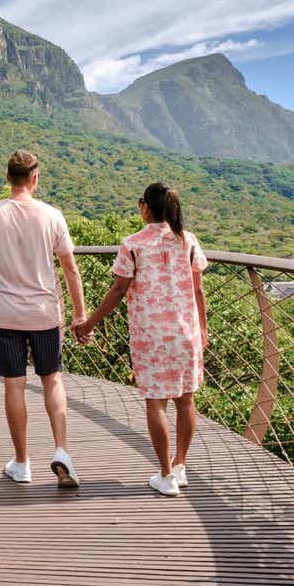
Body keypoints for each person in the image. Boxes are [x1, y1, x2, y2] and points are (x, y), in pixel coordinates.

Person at [0, 150, 87, 487]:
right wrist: (80, 313)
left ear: (8, 178)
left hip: (5, 315)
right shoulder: (52, 216)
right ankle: (61, 450)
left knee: (14, 385)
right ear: (35, 178)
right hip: (44, 313)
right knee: (52, 380)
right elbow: (70, 269)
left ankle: (22, 461)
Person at [75, 183, 208, 496]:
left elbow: (119, 290)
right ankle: (180, 465)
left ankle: (165, 475)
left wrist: (89, 323)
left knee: (156, 401)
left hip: (151, 336)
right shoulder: (188, 241)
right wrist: (203, 329)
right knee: (186, 399)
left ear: (145, 207)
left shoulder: (133, 244)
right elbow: (198, 288)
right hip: (185, 333)